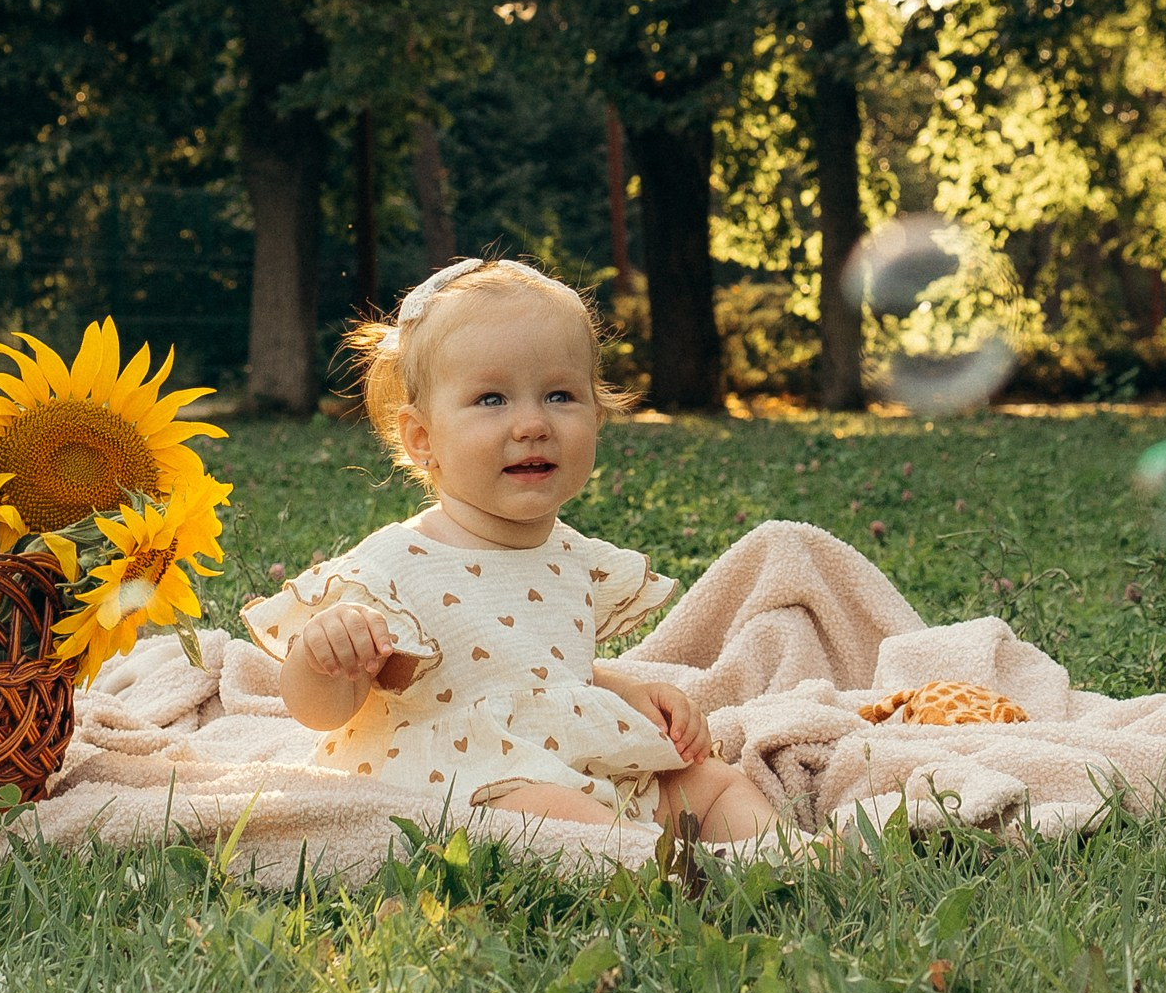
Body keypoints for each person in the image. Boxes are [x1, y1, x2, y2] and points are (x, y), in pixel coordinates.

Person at [242, 256, 781, 843]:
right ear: (422, 438)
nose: (531, 424)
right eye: (492, 400)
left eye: (559, 395)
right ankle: (660, 867)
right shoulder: (392, 568)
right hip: (470, 776)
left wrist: (634, 693)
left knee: (710, 780)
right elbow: (323, 712)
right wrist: (320, 657)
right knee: (554, 813)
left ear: (596, 417)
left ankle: (792, 855)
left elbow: (541, 670)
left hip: (574, 758)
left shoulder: (574, 557)